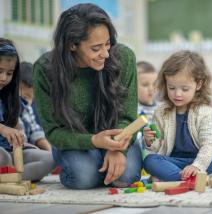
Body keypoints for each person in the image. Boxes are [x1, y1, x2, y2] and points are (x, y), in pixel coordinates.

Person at [33, 3, 142, 189]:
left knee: (126, 177)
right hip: (75, 141)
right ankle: (87, 169)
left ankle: (101, 166)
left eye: (108, 44)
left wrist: (118, 149)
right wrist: (93, 141)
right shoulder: (45, 69)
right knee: (85, 178)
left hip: (117, 137)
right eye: (96, 48)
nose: (106, 54)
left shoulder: (124, 57)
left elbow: (127, 117)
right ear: (72, 45)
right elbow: (53, 132)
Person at [143, 50, 212, 181]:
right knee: (150, 160)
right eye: (172, 88)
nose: (177, 94)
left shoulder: (205, 112)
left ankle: (176, 178)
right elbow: (157, 147)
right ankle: (196, 179)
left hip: (200, 161)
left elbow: (209, 145)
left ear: (199, 84)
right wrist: (149, 141)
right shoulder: (161, 111)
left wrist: (197, 166)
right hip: (173, 161)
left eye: (184, 89)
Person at [0, 38, 54, 182]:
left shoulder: (10, 98)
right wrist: (3, 129)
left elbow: (16, 128)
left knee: (51, 158)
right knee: (2, 155)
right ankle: (10, 174)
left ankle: (10, 177)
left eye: (9, 73)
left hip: (11, 153)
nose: (4, 78)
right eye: (0, 71)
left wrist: (20, 140)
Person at [19, 61, 51, 151]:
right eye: (25, 97)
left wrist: (49, 150)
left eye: (32, 98)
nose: (29, 102)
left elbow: (35, 132)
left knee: (50, 158)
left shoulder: (27, 109)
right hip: (11, 150)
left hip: (27, 150)